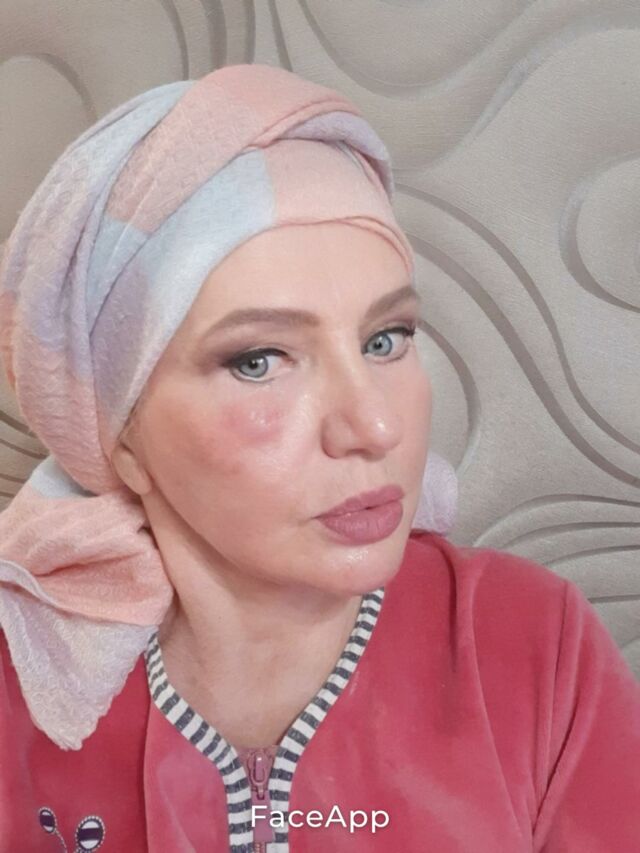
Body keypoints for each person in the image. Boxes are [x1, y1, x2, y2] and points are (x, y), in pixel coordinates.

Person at [0, 64, 638, 853]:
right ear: (117, 432)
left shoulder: (533, 646)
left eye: (385, 339)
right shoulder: (18, 678)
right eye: (258, 360)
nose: (375, 425)